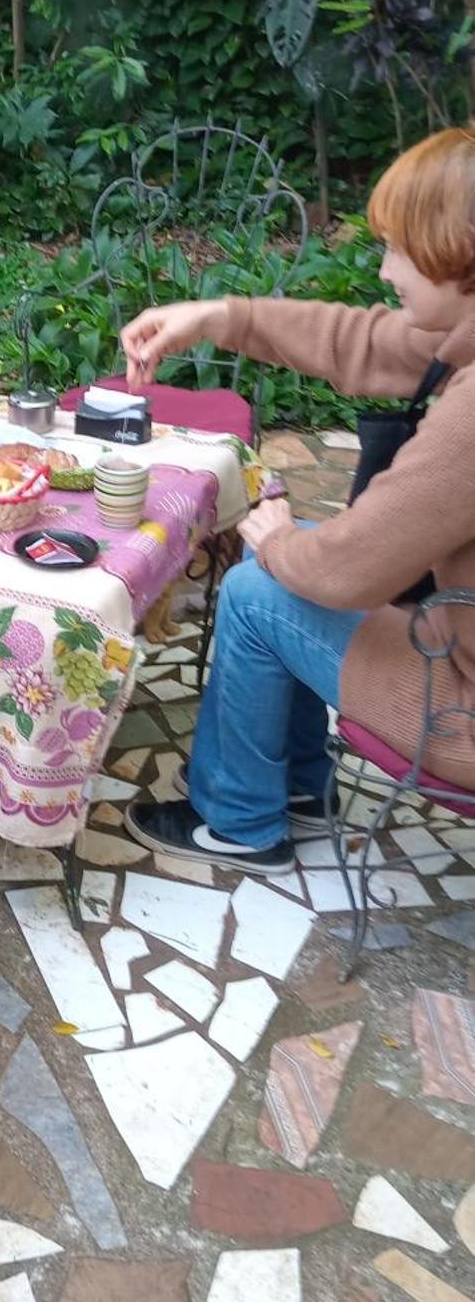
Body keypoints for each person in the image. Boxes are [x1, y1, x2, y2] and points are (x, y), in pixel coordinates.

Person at [120, 125, 475, 874]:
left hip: (460, 709)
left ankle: (238, 820)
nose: (383, 270)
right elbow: (364, 341)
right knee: (287, 560)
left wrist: (276, 542)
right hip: (456, 649)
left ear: (461, 248)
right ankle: (300, 788)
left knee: (258, 584)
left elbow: (351, 570)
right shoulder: (463, 338)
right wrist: (218, 317)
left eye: (399, 249)